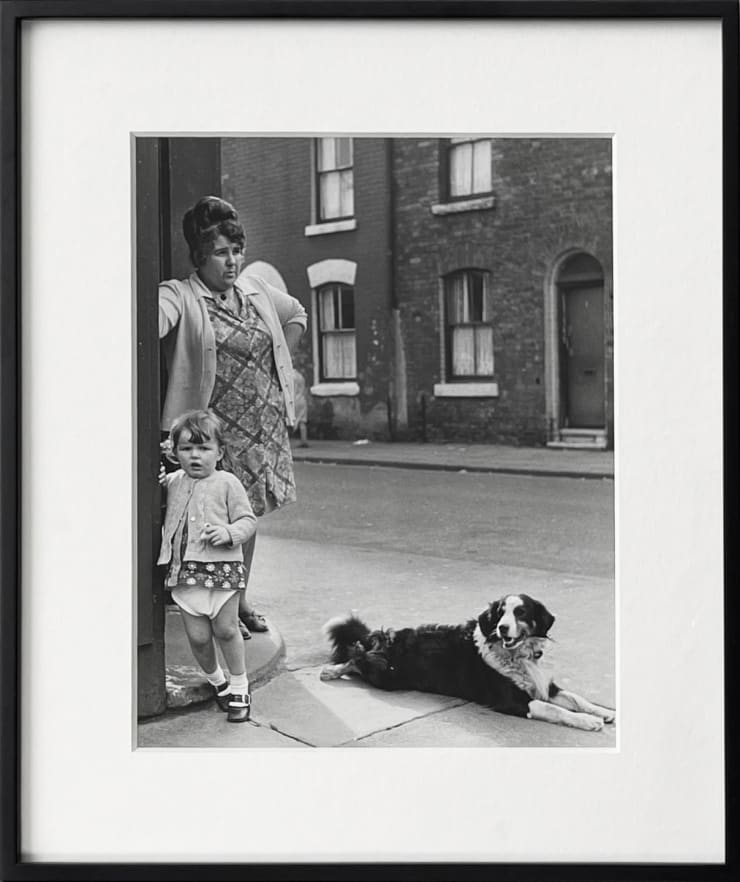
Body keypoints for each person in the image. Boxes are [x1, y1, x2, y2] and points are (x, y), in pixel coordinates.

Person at [158, 196, 307, 638]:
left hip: (261, 429)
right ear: (201, 255)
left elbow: (296, 313)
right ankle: (217, 610)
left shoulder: (255, 290)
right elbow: (147, 321)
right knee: (207, 521)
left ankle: (238, 601)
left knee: (244, 516)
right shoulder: (181, 295)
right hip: (213, 434)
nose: (232, 261)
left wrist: (278, 368)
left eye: (237, 250)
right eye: (221, 252)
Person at [158, 410, 257, 722]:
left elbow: (248, 521)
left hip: (222, 572)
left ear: (220, 452)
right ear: (175, 453)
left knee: (226, 630)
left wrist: (229, 532)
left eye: (204, 448)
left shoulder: (228, 483)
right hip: (184, 574)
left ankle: (240, 685)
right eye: (186, 449)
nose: (195, 456)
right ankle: (219, 682)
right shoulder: (173, 482)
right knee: (199, 638)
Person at [292, 366, 309, 448]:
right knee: (302, 421)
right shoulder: (300, 376)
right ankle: (304, 440)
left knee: (294, 420)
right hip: (302, 399)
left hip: (295, 400)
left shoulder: (291, 376)